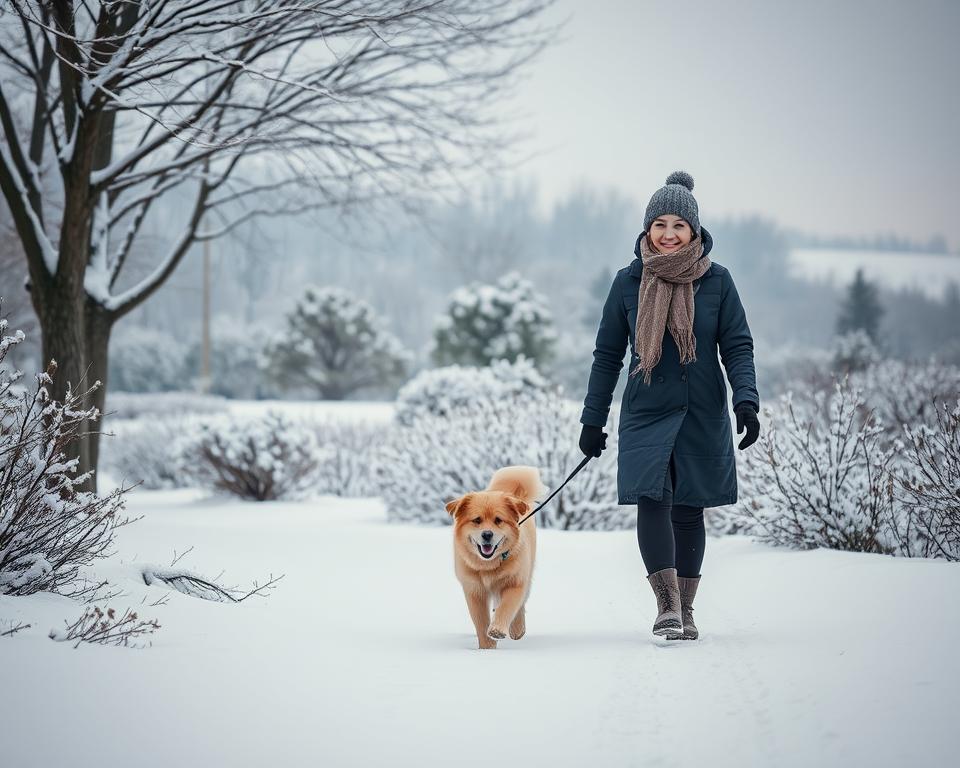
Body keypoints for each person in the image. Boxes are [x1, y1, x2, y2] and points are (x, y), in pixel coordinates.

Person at [578, 171, 760, 640]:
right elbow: (607, 356)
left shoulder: (718, 281)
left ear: (694, 230)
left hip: (701, 409)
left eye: (679, 224)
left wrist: (746, 400)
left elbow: (737, 345)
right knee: (652, 498)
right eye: (659, 223)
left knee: (689, 508)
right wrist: (592, 421)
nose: (668, 233)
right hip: (645, 408)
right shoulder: (627, 282)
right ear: (646, 229)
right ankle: (667, 607)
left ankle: (687, 609)